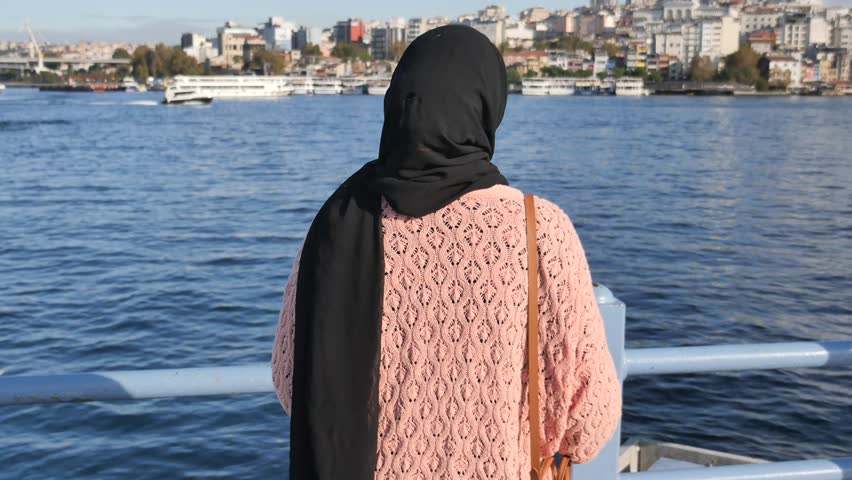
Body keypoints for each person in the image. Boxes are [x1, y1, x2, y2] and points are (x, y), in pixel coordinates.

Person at [271, 25, 621, 480]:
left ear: (397, 104)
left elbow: (290, 379)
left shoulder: (338, 222)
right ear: (487, 107)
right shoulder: (540, 231)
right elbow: (590, 419)